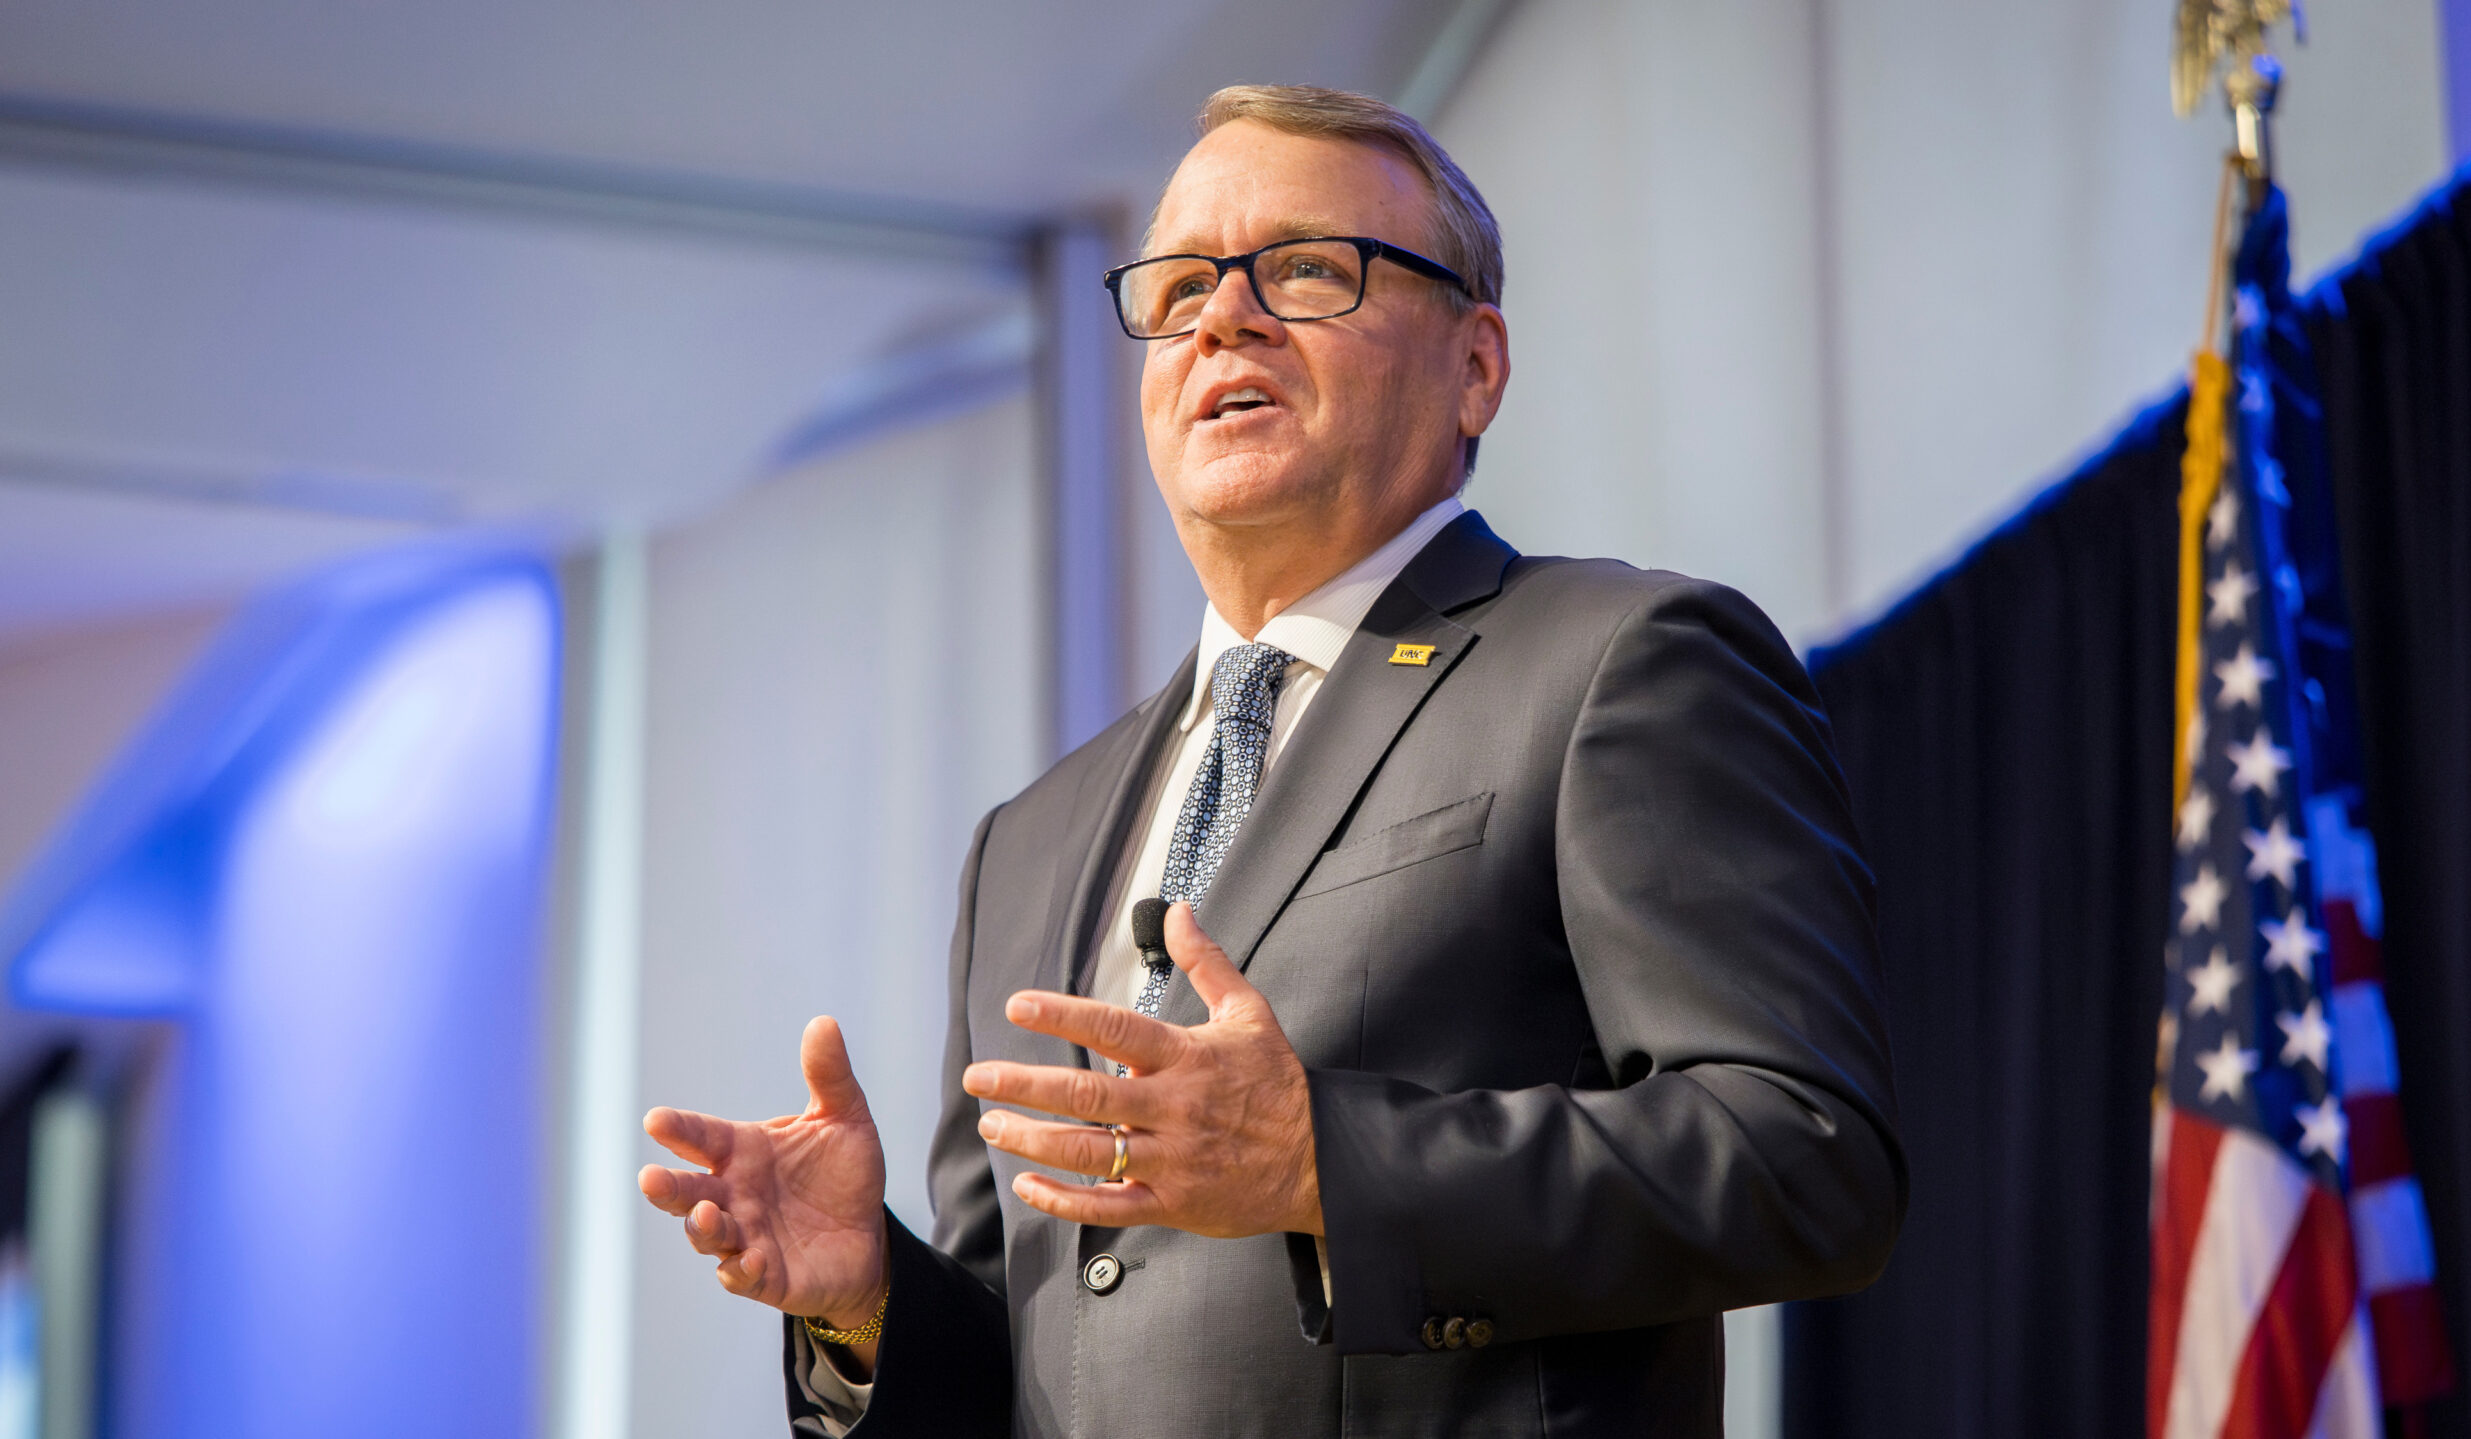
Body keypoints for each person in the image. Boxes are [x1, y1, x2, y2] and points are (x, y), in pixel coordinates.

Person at [638, 84, 1904, 1438]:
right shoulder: (1032, 836)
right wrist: (870, 1305)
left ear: (1475, 364)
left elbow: (1807, 1160)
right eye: (1179, 286)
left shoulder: (1618, 661)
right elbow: (1044, 1352)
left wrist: (1329, 1166)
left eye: (1303, 268)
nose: (1220, 318)